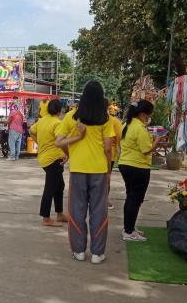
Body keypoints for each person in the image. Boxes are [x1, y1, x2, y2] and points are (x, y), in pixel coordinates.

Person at [56, 81, 115, 264]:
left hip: (78, 170)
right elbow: (107, 148)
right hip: (99, 170)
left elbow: (59, 142)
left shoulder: (72, 117)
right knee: (99, 211)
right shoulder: (107, 120)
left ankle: (79, 251)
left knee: (76, 210)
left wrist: (71, 150)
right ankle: (97, 254)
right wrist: (108, 171)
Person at [118, 100, 162, 242]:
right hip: (138, 167)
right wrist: (157, 141)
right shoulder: (140, 128)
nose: (149, 117)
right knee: (135, 200)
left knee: (130, 198)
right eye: (149, 115)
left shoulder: (127, 124)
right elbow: (146, 149)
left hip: (126, 164)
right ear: (143, 114)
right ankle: (129, 232)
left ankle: (128, 227)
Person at [29, 100, 69, 227]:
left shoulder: (42, 120)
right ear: (59, 110)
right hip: (54, 159)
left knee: (60, 186)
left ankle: (59, 214)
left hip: (45, 158)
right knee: (50, 188)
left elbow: (31, 131)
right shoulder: (57, 123)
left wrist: (39, 143)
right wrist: (67, 154)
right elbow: (60, 141)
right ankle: (46, 218)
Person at [108, 103, 123, 210]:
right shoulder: (114, 122)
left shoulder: (89, 118)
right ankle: (104, 199)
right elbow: (119, 139)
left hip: (93, 154)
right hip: (109, 154)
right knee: (106, 177)